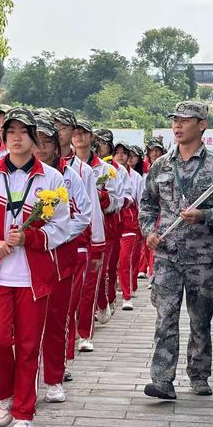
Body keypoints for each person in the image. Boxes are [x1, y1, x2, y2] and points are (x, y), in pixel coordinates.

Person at [0, 107, 71, 427]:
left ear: (34, 138)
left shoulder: (51, 178)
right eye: (9, 131)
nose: (15, 137)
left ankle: (24, 411)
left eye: (22, 132)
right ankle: (5, 390)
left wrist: (31, 237)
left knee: (28, 346)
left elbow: (62, 227)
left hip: (33, 277)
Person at [140, 101, 213, 399]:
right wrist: (149, 233)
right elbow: (147, 205)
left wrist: (205, 215)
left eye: (185, 120)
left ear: (202, 125)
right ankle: (162, 379)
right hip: (166, 254)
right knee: (165, 316)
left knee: (200, 317)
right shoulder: (161, 165)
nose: (177, 126)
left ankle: (199, 374)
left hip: (202, 257)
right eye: (175, 121)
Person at [33, 115, 91, 402]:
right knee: (26, 326)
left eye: (47, 142)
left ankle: (54, 378)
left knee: (56, 321)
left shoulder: (70, 175)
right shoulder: (22, 174)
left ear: (57, 145)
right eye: (37, 142)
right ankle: (25, 379)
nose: (41, 148)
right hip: (28, 260)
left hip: (60, 260)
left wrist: (56, 234)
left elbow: (84, 215)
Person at [71, 120, 119, 352]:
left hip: (96, 233)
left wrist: (102, 198)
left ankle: (84, 334)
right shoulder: (62, 166)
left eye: (84, 133)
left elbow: (118, 202)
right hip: (68, 237)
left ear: (92, 138)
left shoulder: (104, 169)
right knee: (72, 293)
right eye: (75, 132)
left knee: (89, 285)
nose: (79, 136)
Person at [94, 129, 128, 317]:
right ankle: (97, 303)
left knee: (108, 267)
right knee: (95, 269)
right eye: (97, 141)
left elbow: (122, 198)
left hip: (110, 226)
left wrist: (101, 196)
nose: (100, 146)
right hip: (88, 228)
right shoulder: (81, 166)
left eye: (104, 143)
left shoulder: (116, 170)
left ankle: (109, 298)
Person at [112, 142, 144, 310]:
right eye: (117, 152)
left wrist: (141, 225)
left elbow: (139, 202)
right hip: (112, 224)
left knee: (126, 260)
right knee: (111, 263)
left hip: (130, 224)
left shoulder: (136, 178)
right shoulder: (107, 171)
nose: (120, 155)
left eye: (124, 153)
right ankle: (108, 297)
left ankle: (127, 295)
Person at [138, 137, 166, 280]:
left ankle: (152, 272)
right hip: (146, 208)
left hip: (162, 210)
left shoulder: (167, 166)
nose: (155, 153)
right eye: (152, 150)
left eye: (157, 150)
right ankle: (143, 268)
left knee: (156, 239)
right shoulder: (142, 169)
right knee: (146, 238)